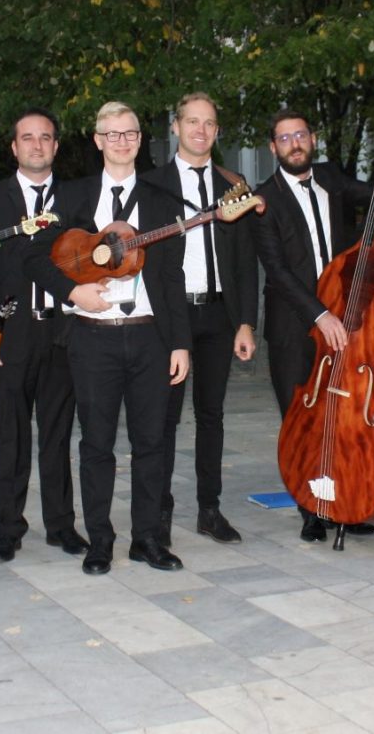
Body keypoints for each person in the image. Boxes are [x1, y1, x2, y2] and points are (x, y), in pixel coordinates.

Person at [26, 101, 191, 575]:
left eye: (130, 133)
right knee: (96, 444)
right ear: (97, 140)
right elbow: (35, 258)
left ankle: (147, 539)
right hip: (91, 338)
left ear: (141, 140)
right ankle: (100, 541)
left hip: (149, 337)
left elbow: (173, 275)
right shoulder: (70, 195)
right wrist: (73, 292)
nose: (122, 142)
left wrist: (180, 343)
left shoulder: (162, 199)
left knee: (151, 442)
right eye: (112, 134)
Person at [254, 109, 374, 542]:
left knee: (345, 419)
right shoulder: (263, 198)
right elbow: (277, 270)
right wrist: (319, 314)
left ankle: (345, 504)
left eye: (300, 135)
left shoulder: (330, 177)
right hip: (295, 325)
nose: (294, 143)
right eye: (284, 138)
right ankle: (311, 509)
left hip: (348, 315)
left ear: (312, 139)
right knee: (303, 422)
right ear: (273, 148)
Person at [0, 108, 87, 562]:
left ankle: (61, 525)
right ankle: (8, 528)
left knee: (58, 434)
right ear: (14, 147)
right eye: (28, 138)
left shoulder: (77, 198)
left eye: (45, 137)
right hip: (10, 334)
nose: (37, 145)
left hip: (63, 332)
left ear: (56, 146)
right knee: (10, 436)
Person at [143, 93, 258, 546]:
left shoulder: (234, 184)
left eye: (209, 123)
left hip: (218, 313)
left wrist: (245, 321)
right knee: (165, 418)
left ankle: (209, 510)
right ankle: (160, 512)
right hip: (170, 315)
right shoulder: (151, 185)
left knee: (212, 415)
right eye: (192, 121)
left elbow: (244, 257)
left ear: (217, 131)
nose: (200, 130)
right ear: (175, 127)